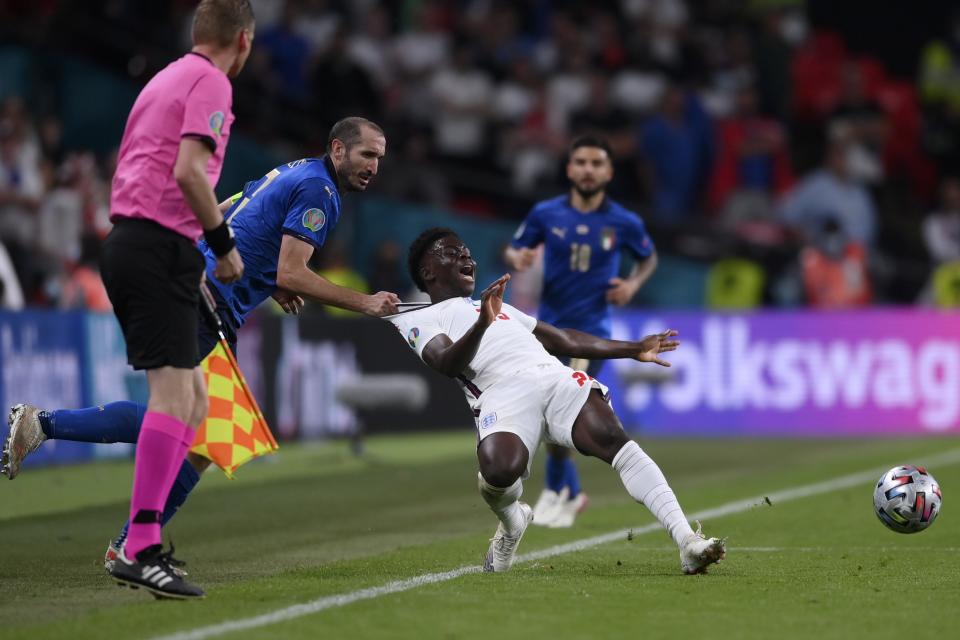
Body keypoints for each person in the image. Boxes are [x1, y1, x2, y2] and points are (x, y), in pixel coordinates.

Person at [1, 117, 399, 591]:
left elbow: (234, 210)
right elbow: (292, 272)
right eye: (366, 155)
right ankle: (52, 437)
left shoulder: (295, 172)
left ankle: (127, 538)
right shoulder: (321, 192)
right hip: (198, 296)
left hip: (194, 289)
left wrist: (268, 280)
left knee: (204, 438)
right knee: (180, 419)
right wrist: (364, 302)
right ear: (338, 149)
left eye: (379, 157)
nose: (374, 166)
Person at [389, 228, 725, 574]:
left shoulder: (498, 308)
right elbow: (447, 364)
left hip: (552, 377)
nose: (466, 258)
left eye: (468, 252)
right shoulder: (419, 318)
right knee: (499, 471)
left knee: (613, 438)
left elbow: (563, 339)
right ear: (427, 272)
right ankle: (513, 520)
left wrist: (634, 348)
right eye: (452, 253)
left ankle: (687, 541)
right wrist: (482, 325)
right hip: (501, 393)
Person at [503, 135, 657, 528]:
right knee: (550, 412)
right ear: (570, 169)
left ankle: (561, 494)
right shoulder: (546, 213)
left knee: (560, 407)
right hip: (548, 331)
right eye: (581, 162)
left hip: (591, 332)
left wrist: (633, 285)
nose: (588, 169)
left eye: (596, 163)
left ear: (608, 171)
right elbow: (516, 247)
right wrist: (516, 256)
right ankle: (569, 492)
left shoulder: (623, 221)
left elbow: (648, 256)